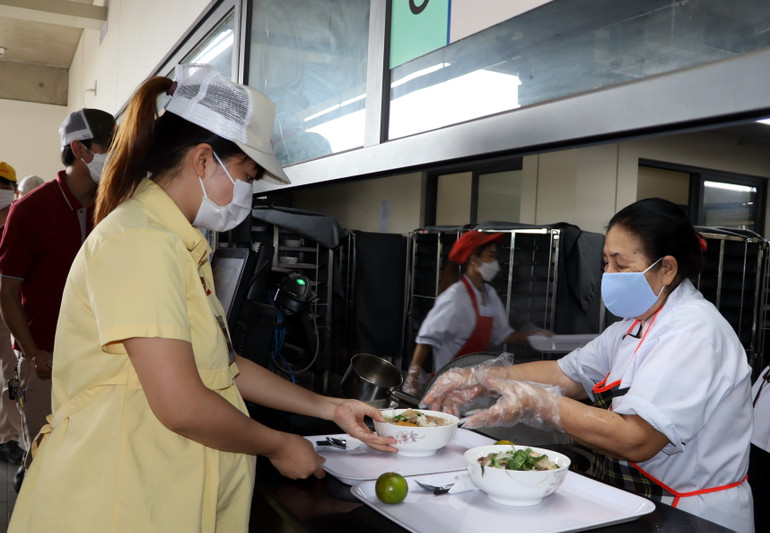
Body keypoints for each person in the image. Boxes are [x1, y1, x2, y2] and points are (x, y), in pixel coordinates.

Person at [8, 63, 396, 533]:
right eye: (247, 174)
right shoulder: (140, 241)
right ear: (204, 159)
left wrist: (328, 407)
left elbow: (221, 365)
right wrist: (277, 444)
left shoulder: (177, 245)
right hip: (117, 500)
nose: (248, 190)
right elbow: (182, 404)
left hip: (156, 492)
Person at [424, 198, 754, 533]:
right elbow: (567, 373)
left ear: (666, 268)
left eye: (620, 265)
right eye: (605, 262)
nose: (607, 275)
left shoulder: (694, 333)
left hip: (692, 515)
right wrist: (481, 375)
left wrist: (540, 403)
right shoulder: (632, 325)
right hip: (643, 502)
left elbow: (636, 440)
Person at [0, 108, 116, 457]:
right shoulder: (30, 211)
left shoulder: (113, 207)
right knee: (45, 458)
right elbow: (7, 293)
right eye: (109, 147)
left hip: (102, 361)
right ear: (80, 150)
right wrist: (34, 354)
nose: (117, 157)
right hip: (46, 365)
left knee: (92, 460)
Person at [402, 231, 546, 396]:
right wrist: (413, 380)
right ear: (474, 260)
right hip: (449, 386)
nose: (495, 262)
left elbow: (502, 335)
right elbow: (426, 340)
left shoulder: (489, 293)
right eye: (490, 256)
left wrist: (533, 335)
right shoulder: (455, 297)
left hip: (476, 384)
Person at [0, 161, 23, 465]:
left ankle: (8, 438)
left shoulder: (21, 218)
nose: (1, 190)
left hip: (10, 308)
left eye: (5, 185)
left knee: (11, 374)